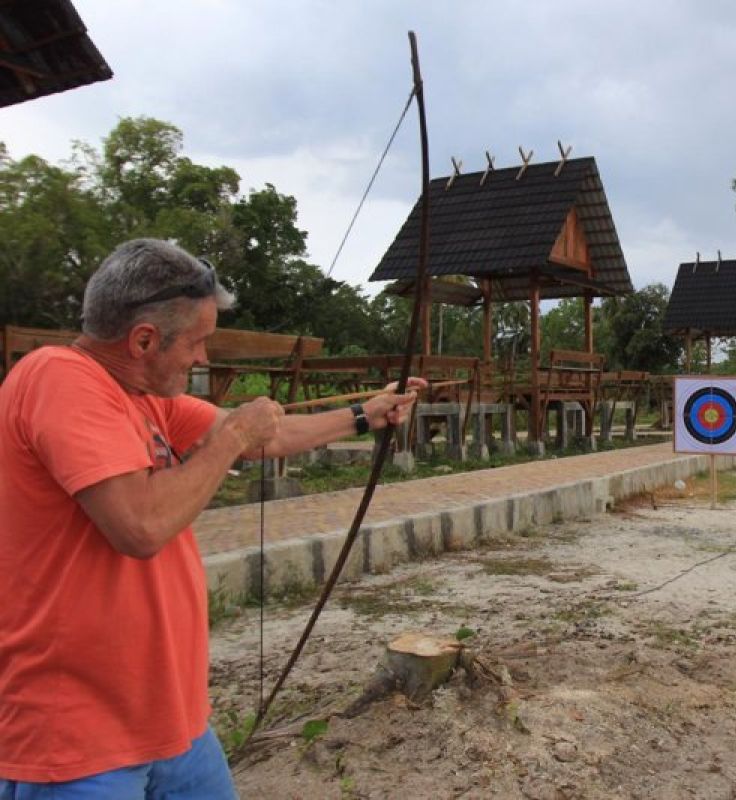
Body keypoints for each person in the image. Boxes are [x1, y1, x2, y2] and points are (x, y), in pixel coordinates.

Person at [0, 239, 425, 798]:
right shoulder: (60, 378)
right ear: (144, 340)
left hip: (170, 722)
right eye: (198, 342)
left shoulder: (142, 395)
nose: (202, 359)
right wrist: (232, 438)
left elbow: (261, 434)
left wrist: (364, 416)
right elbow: (140, 526)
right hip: (79, 739)